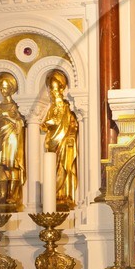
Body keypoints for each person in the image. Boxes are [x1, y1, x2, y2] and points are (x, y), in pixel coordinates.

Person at [0, 72, 26, 211]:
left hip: (12, 138)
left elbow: (20, 123)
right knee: (0, 166)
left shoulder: (15, 106)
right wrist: (1, 117)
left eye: (5, 88)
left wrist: (8, 118)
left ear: (11, 89)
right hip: (1, 138)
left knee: (12, 165)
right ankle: (3, 194)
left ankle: (12, 194)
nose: (3, 91)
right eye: (1, 88)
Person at [41, 69, 79, 211]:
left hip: (63, 142)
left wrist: (70, 135)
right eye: (51, 89)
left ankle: (63, 194)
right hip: (52, 142)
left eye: (55, 88)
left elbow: (72, 123)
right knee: (52, 167)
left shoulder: (66, 107)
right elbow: (47, 122)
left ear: (61, 88)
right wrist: (46, 124)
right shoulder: (52, 107)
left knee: (64, 166)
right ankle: (54, 195)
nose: (52, 92)